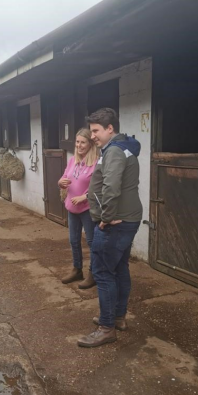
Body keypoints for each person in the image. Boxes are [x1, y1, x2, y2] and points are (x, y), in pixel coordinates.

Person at [77, 108, 143, 348]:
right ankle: (118, 317)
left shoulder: (114, 151)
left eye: (96, 131)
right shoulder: (122, 147)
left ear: (109, 128)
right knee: (120, 268)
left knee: (103, 272)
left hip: (115, 222)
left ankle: (106, 328)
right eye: (92, 130)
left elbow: (111, 187)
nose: (93, 135)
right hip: (128, 218)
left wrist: (105, 217)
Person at [58, 129, 99, 289]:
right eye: (77, 142)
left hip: (87, 209)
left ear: (90, 143)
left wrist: (85, 196)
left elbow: (100, 187)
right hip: (71, 207)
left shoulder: (96, 162)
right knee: (74, 240)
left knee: (91, 242)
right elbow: (64, 177)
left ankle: (93, 273)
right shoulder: (73, 160)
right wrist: (60, 182)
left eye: (83, 142)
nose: (79, 145)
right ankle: (77, 270)